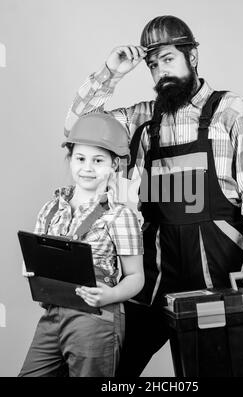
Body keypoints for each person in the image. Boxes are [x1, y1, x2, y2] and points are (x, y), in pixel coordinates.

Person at [64, 15, 243, 376]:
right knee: (117, 366)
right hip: (156, 263)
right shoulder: (144, 119)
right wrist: (110, 73)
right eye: (152, 65)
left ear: (192, 57)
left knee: (212, 367)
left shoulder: (231, 110)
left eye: (168, 59)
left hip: (218, 261)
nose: (160, 71)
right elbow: (78, 129)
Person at [18, 111, 144, 377]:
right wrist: (29, 267)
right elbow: (34, 258)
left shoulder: (121, 216)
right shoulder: (51, 208)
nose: (87, 167)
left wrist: (110, 295)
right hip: (53, 314)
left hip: (95, 320)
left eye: (98, 160)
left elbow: (136, 276)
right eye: (80, 158)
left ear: (114, 166)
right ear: (70, 159)